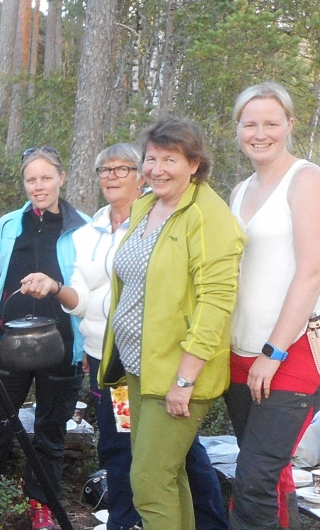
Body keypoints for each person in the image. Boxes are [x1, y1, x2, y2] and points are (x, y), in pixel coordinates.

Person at [22, 144, 228, 530]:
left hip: (153, 357)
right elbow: (81, 299)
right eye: (105, 170)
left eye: (123, 168)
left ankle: (210, 521)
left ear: (141, 175)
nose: (112, 176)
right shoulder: (90, 230)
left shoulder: (158, 221)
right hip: (109, 363)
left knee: (179, 453)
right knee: (119, 445)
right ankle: (125, 521)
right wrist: (54, 287)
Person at [98, 117, 245, 530]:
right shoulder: (146, 205)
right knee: (168, 474)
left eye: (171, 159)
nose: (157, 168)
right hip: (133, 370)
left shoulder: (209, 217)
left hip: (178, 375)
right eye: (151, 158)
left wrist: (185, 379)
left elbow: (216, 303)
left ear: (194, 164)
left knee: (147, 479)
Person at [0, 146, 89, 530]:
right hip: (9, 345)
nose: (38, 186)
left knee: (50, 433)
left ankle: (43, 505)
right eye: (31, 179)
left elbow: (92, 290)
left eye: (46, 177)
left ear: (61, 177)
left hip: (62, 346)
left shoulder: (83, 228)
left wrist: (87, 341)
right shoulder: (8, 226)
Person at [225, 82, 320, 530]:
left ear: (289, 126)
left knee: (254, 480)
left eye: (270, 123)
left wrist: (274, 351)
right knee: (270, 476)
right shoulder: (239, 190)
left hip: (290, 351)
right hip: (239, 352)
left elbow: (311, 271)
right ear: (238, 129)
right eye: (250, 124)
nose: (259, 133)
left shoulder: (305, 179)